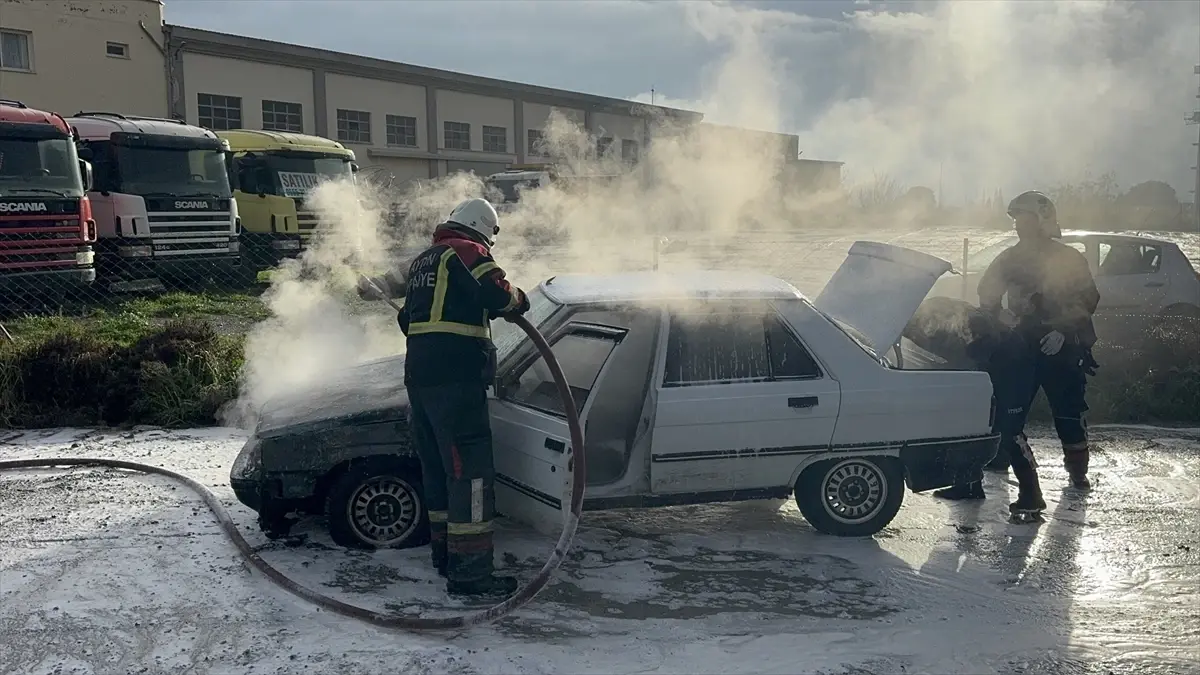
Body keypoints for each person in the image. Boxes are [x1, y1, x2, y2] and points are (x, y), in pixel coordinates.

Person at [360, 197, 529, 598]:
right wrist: (521, 299)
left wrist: (368, 284)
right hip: (457, 381)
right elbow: (500, 295)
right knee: (468, 474)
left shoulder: (424, 259)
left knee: (437, 467)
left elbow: (381, 286)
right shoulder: (468, 251)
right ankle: (470, 575)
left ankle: (444, 556)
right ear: (483, 229)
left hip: (420, 379)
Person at [976, 191, 1100, 511]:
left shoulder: (1068, 258)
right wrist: (997, 314)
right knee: (1007, 415)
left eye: (1025, 218)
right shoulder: (1009, 258)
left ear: (1043, 220)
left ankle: (1077, 475)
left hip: (1062, 346)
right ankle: (1009, 471)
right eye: (1016, 219)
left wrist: (1064, 330)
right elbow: (987, 291)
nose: (1019, 225)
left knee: (1068, 415)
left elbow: (1088, 298)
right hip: (1022, 347)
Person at [904, 296, 1036, 503]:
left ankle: (1032, 494)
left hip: (1014, 375)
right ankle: (968, 486)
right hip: (986, 374)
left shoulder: (971, 321)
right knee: (968, 428)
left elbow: (977, 354)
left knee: (1011, 433)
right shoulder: (923, 323)